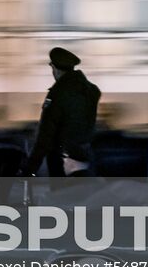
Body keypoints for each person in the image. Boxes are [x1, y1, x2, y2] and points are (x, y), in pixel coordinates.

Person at [22, 46, 100, 177]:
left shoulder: (57, 94)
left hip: (63, 162)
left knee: (62, 190)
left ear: (54, 67)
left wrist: (30, 168)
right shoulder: (91, 91)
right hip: (85, 156)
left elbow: (45, 135)